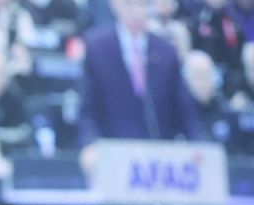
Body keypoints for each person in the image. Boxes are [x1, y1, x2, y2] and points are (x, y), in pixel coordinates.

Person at [78, 0, 205, 149]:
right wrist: (89, 145)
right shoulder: (97, 47)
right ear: (114, 5)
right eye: (130, 4)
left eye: (142, 5)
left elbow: (186, 112)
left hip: (158, 152)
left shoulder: (166, 52)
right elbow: (87, 109)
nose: (137, 12)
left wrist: (199, 147)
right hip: (113, 149)